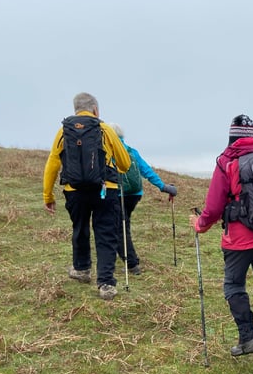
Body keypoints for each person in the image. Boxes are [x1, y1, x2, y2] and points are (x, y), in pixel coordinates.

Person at [190, 115, 253, 374]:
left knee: (234, 284)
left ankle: (248, 338)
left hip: (240, 240)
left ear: (231, 137)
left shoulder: (227, 163)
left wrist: (199, 224)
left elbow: (212, 208)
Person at [43, 92, 131, 300]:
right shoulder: (104, 129)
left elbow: (52, 164)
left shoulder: (63, 132)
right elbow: (125, 163)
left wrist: (48, 196)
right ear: (95, 109)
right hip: (105, 189)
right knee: (105, 234)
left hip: (75, 191)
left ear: (75, 109)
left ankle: (82, 270)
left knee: (80, 228)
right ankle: (106, 284)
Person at [108, 123, 177, 275]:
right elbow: (146, 170)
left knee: (120, 228)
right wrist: (162, 186)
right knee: (123, 225)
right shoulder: (132, 151)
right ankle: (125, 260)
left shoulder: (109, 150)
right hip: (135, 194)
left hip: (118, 194)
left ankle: (132, 264)